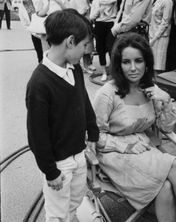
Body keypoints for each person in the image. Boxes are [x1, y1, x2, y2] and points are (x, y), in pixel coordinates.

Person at [93, 32, 176, 222]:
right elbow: (93, 135)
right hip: (114, 153)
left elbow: (167, 128)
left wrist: (165, 101)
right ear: (118, 64)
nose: (132, 68)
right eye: (126, 62)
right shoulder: (107, 94)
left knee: (165, 187)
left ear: (146, 63)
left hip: (144, 149)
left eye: (138, 61)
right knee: (174, 165)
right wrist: (125, 146)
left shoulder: (150, 89)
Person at [26, 9, 99, 222]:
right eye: (84, 45)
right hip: (59, 164)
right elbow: (37, 134)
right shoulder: (39, 83)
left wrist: (92, 132)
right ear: (70, 41)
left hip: (78, 153)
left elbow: (83, 101)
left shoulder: (73, 68)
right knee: (57, 214)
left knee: (74, 203)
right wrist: (50, 171)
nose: (86, 51)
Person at [90, 0, 118, 81]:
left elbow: (117, 13)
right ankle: (104, 72)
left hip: (111, 24)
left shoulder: (115, 1)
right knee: (100, 50)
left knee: (112, 49)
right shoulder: (96, 1)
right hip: (99, 25)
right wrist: (100, 10)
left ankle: (113, 73)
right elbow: (92, 17)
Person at [149, 0, 173, 74]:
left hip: (161, 37)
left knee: (158, 66)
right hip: (151, 35)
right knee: (152, 64)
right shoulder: (155, 1)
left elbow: (165, 22)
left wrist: (155, 38)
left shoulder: (168, 2)